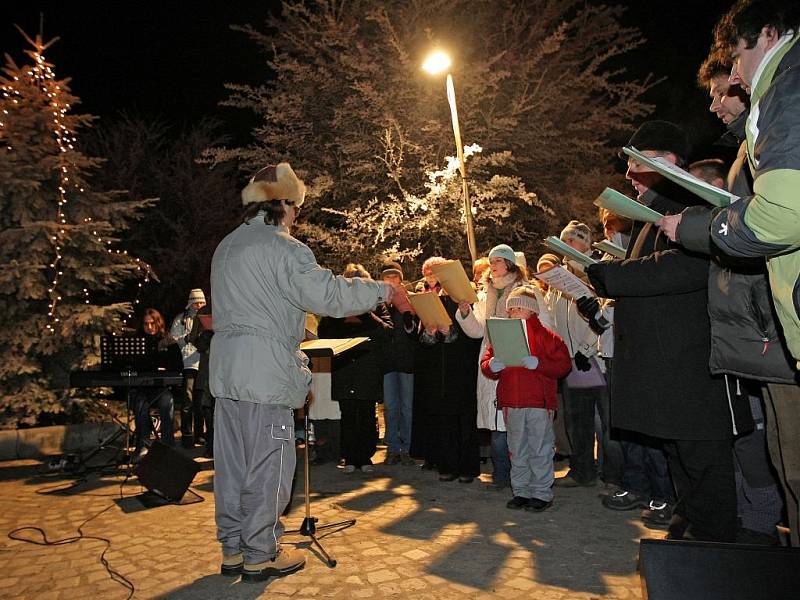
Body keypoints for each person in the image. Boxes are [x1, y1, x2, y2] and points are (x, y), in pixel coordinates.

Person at [209, 162, 393, 581]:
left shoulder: (227, 246)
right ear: (282, 205)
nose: (297, 218)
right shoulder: (285, 248)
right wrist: (382, 290)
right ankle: (262, 552)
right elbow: (328, 293)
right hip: (266, 375)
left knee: (234, 464)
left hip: (226, 371)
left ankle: (233, 549)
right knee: (269, 466)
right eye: (296, 208)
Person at [587, 121, 742, 543]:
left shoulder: (691, 202)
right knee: (682, 461)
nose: (629, 176)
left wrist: (610, 277)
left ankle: (714, 556)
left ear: (667, 162)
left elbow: (687, 266)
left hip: (692, 370)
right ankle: (689, 535)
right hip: (668, 370)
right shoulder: (653, 212)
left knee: (703, 465)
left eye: (638, 164)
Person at [456, 244, 550, 491]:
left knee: (519, 425)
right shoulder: (485, 293)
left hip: (520, 362)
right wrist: (465, 313)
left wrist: (534, 355)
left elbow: (545, 326)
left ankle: (525, 477)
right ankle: (501, 475)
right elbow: (478, 330)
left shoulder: (527, 292)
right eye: (490, 261)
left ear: (510, 263)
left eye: (497, 260)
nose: (492, 265)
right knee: (498, 426)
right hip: (492, 359)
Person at [481, 287, 572, 512]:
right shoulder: (502, 336)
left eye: (519, 308)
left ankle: (541, 493)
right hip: (512, 402)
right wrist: (491, 366)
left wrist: (540, 364)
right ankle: (521, 491)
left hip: (538, 403)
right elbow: (487, 360)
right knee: (517, 449)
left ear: (531, 311)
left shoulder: (547, 337)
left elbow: (564, 365)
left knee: (540, 449)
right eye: (511, 309)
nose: (514, 312)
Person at [319, 264, 391, 473]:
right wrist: (343, 319)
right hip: (344, 369)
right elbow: (324, 332)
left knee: (367, 414)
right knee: (348, 414)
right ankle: (349, 457)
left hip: (367, 368)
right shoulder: (335, 308)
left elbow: (387, 333)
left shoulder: (376, 307)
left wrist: (366, 315)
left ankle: (366, 457)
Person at [378, 260, 417, 467]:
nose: (392, 281)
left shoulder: (410, 302)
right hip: (387, 363)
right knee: (391, 407)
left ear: (401, 280)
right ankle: (392, 448)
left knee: (407, 407)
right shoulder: (378, 302)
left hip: (407, 361)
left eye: (395, 277)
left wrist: (409, 319)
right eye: (387, 277)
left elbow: (415, 333)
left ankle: (408, 448)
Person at [131, 309, 179, 458]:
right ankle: (143, 446)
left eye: (152, 323)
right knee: (140, 405)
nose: (149, 327)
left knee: (167, 403)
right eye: (146, 324)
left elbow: (177, 366)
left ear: (158, 323)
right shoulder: (137, 342)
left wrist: (166, 368)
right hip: (142, 388)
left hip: (161, 388)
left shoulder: (168, 341)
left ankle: (167, 445)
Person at [170, 288, 206, 448]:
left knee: (200, 402)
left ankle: (200, 434)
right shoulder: (182, 319)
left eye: (201, 302)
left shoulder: (207, 319)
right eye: (197, 302)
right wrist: (186, 340)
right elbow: (174, 338)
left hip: (204, 364)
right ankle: (187, 435)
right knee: (188, 400)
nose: (199, 305)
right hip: (189, 364)